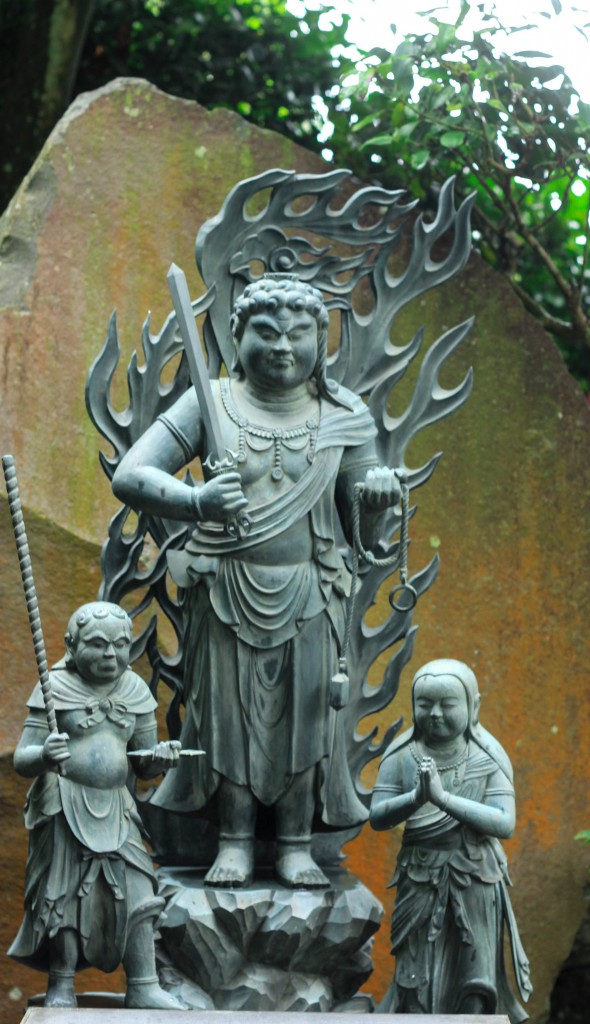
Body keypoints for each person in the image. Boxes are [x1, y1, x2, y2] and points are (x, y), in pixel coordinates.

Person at [113, 273, 402, 888]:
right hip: (226, 588)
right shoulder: (212, 402)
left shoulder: (341, 414)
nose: (282, 347)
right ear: (238, 336)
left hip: (312, 591)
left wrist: (378, 500)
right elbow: (132, 474)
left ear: (320, 344)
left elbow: (364, 533)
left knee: (306, 720)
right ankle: (234, 840)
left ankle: (296, 843)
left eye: (299, 335)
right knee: (230, 721)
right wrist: (195, 501)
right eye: (266, 333)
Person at [9, 601, 185, 1010]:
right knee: (64, 897)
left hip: (118, 809)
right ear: (72, 646)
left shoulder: (135, 690)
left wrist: (160, 759)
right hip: (64, 805)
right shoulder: (54, 687)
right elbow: (22, 758)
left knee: (139, 888)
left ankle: (143, 984)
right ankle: (61, 985)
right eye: (98, 644)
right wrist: (44, 755)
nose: (110, 654)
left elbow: (142, 763)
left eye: (120, 645)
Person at [370, 658, 532, 1021]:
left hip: (475, 876)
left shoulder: (487, 757)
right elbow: (377, 816)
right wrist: (416, 798)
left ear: (474, 706)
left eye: (448, 704)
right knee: (414, 971)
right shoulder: (402, 755)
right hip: (420, 875)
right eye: (425, 704)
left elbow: (504, 822)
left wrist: (443, 799)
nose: (435, 714)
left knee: (475, 976)